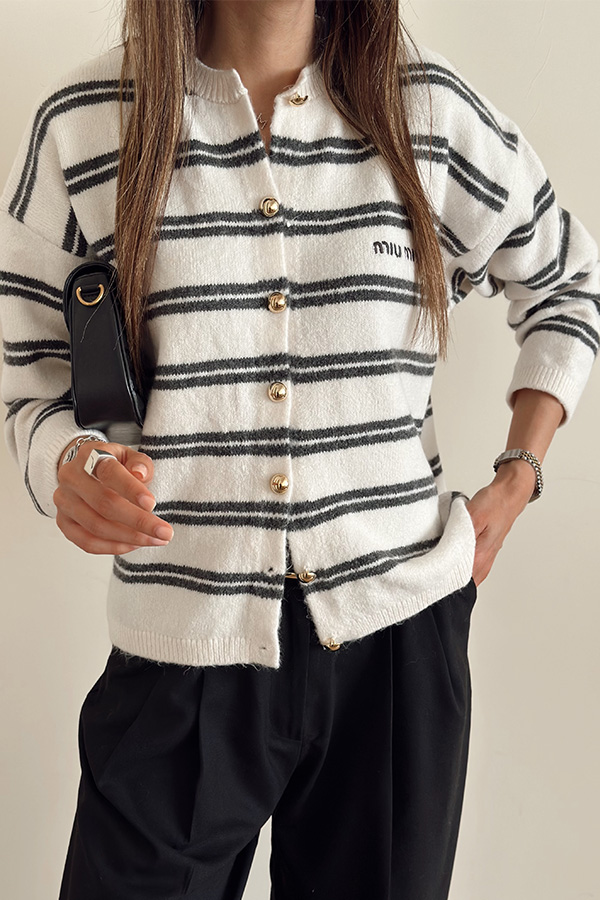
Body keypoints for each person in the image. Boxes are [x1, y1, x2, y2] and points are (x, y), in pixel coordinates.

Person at [0, 1, 598, 898]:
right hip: (182, 645)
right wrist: (66, 467)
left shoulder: (426, 111)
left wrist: (519, 477)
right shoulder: (87, 121)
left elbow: (566, 281)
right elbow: (29, 376)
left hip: (397, 646)